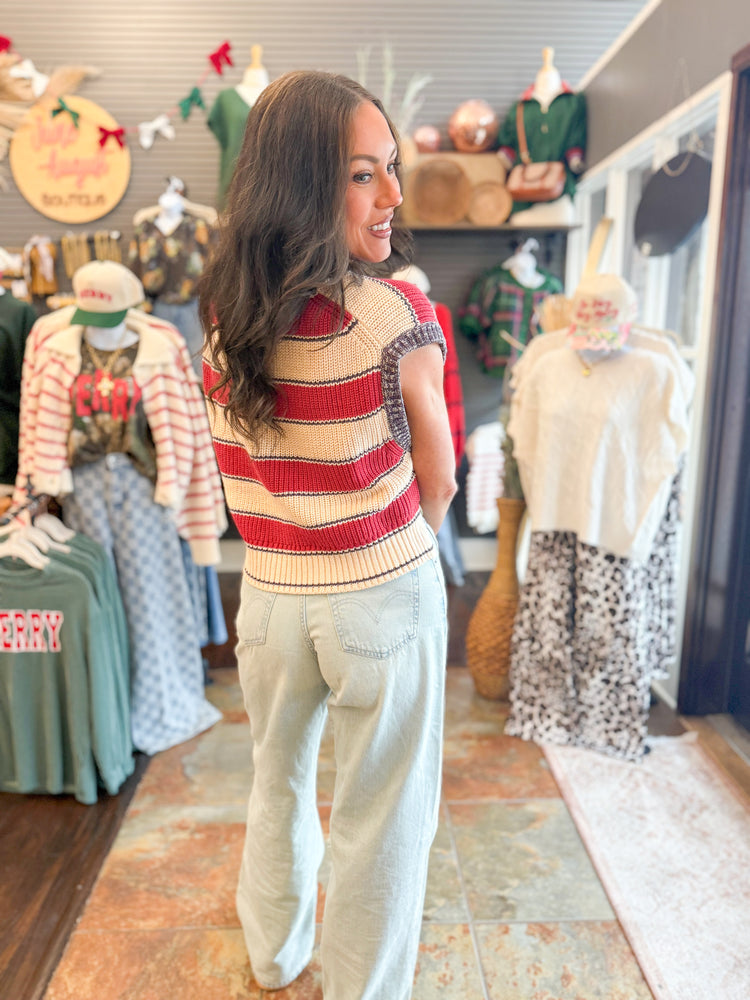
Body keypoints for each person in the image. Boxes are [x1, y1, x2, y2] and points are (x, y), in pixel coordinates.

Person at [199, 70, 457, 998]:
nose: (393, 196)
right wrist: (399, 558)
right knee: (383, 814)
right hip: (375, 590)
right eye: (362, 175)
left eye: (390, 168)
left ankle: (274, 957)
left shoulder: (226, 319)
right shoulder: (395, 316)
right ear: (302, 184)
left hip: (268, 597)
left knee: (276, 785)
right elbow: (442, 476)